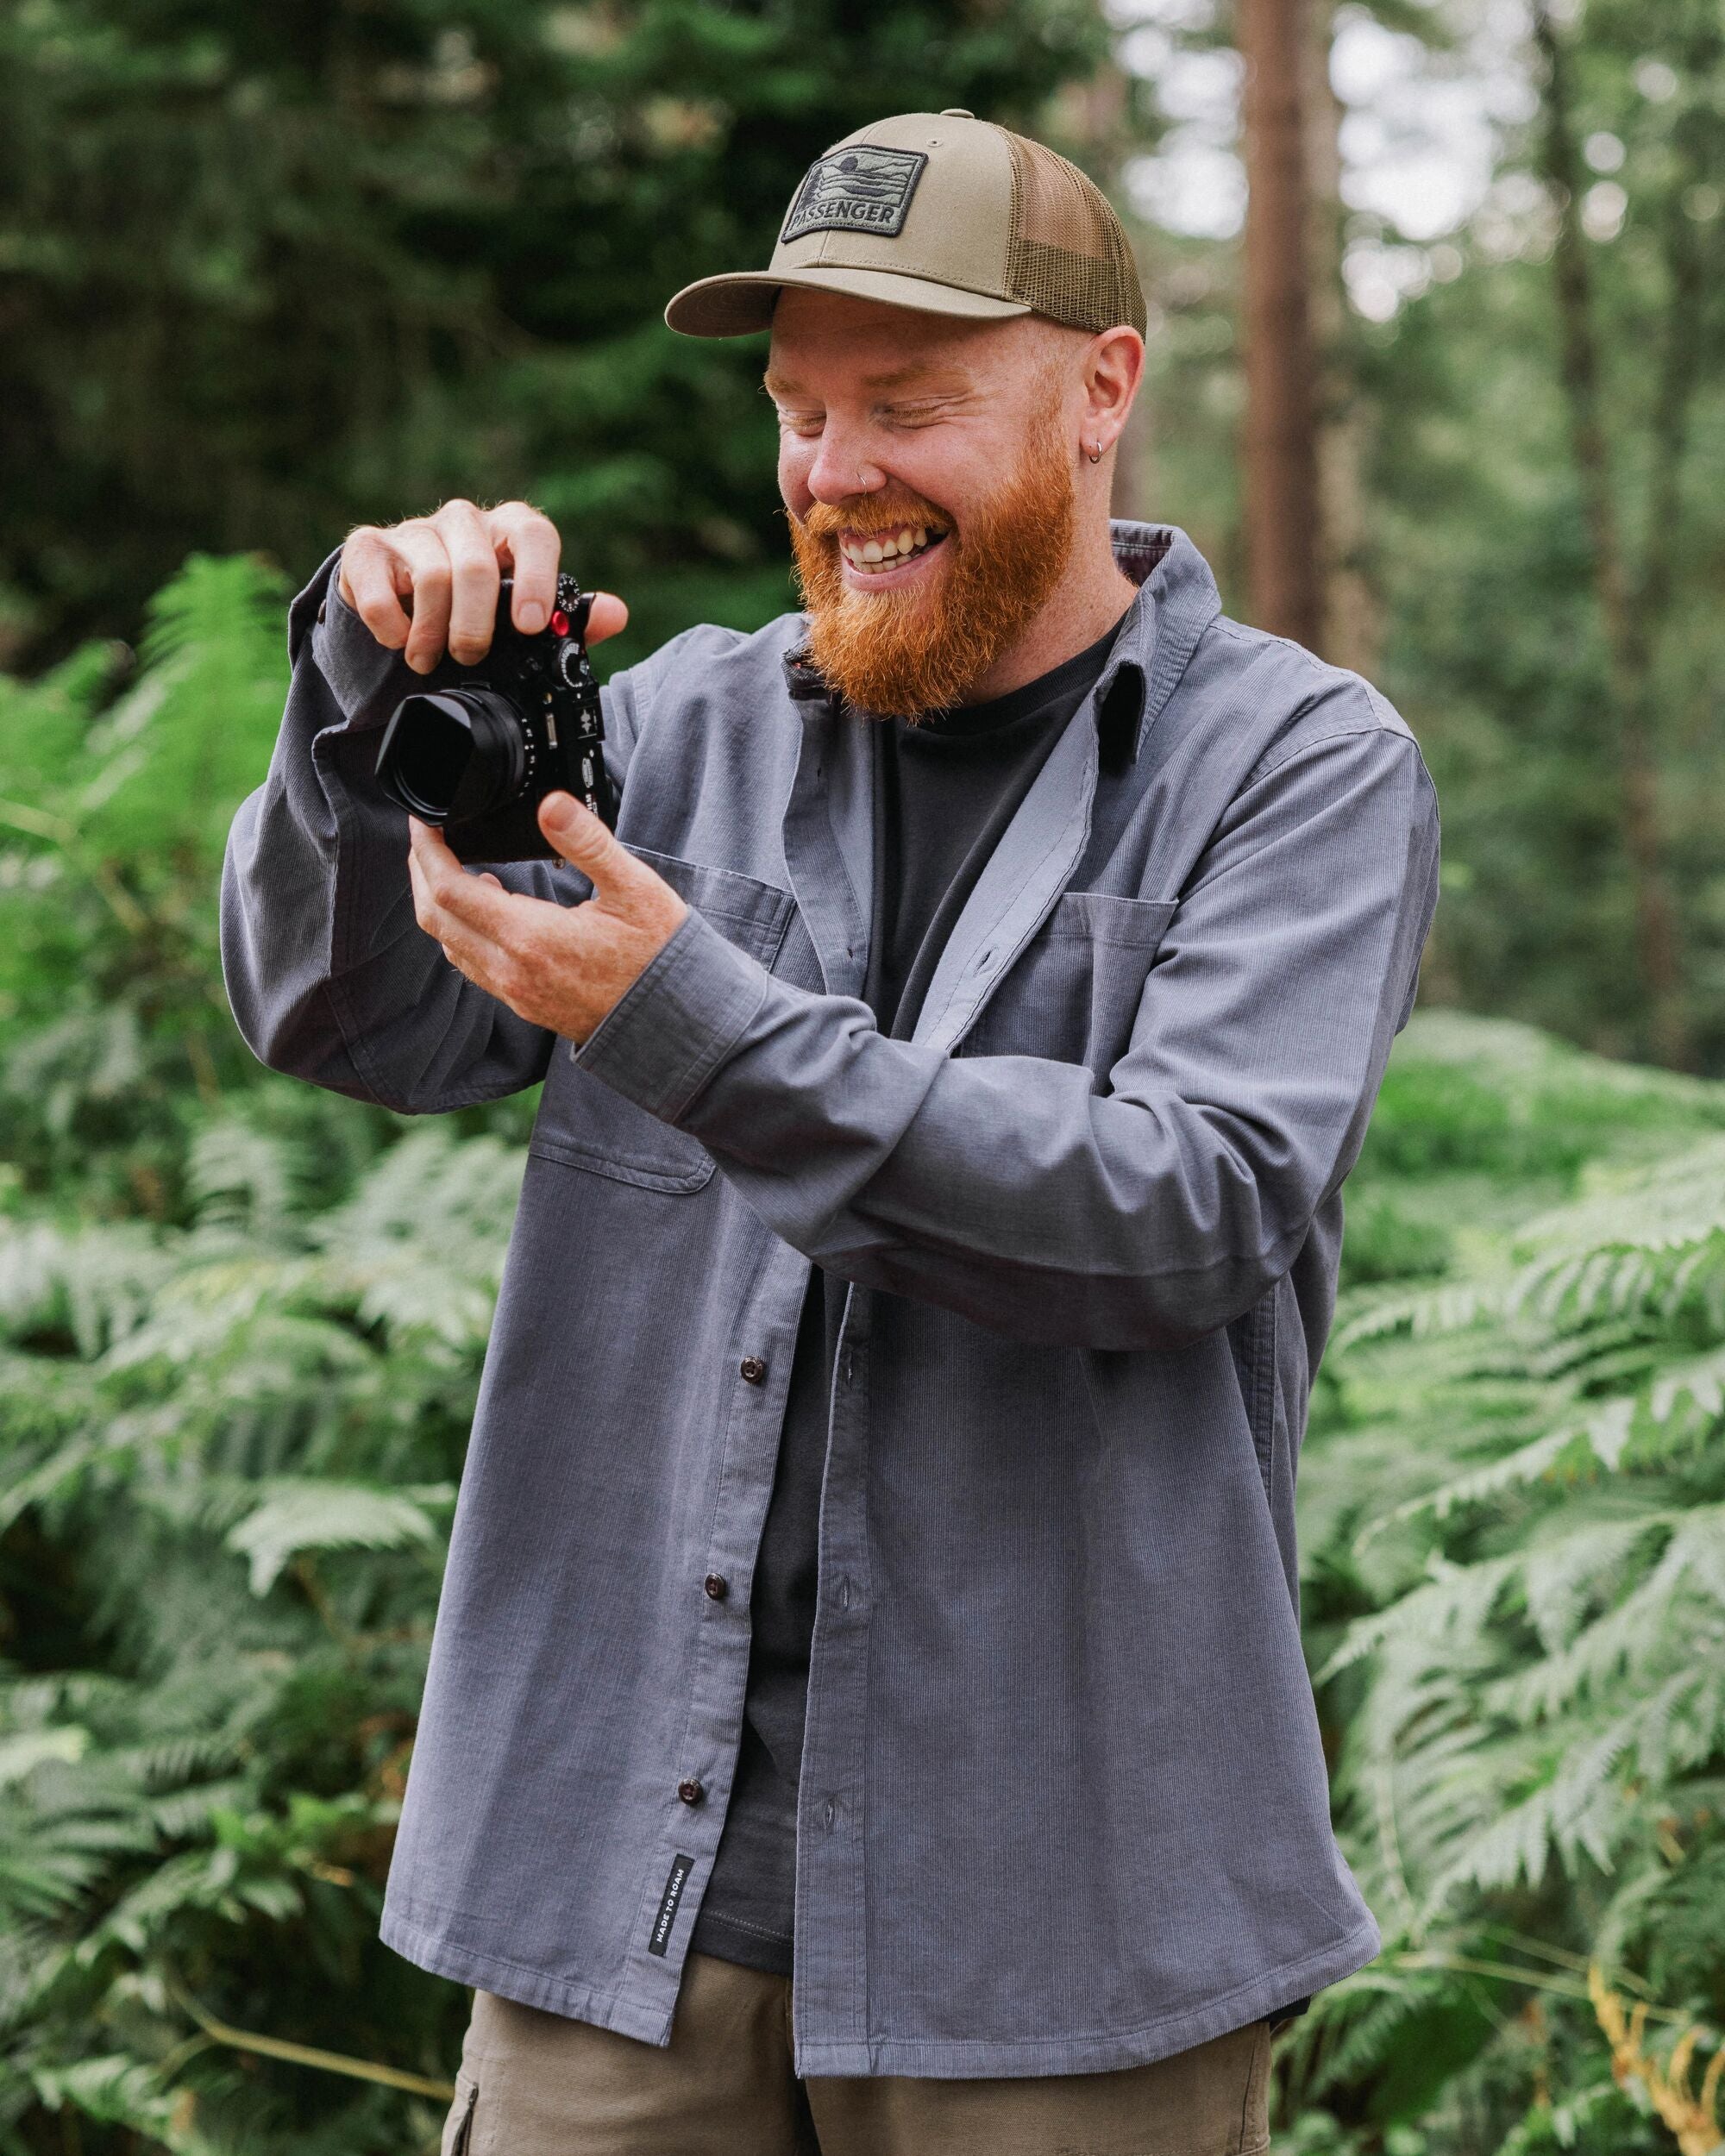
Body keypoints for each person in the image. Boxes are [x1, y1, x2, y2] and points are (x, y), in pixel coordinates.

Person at [222, 110, 1440, 2156]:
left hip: (1067, 1951)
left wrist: (683, 1015)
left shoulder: (1296, 766)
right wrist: (362, 684)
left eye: (909, 402)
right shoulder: (670, 724)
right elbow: (344, 1013)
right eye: (799, 410)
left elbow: (1186, 1204)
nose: (834, 472)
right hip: (612, 1910)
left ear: (1099, 393)